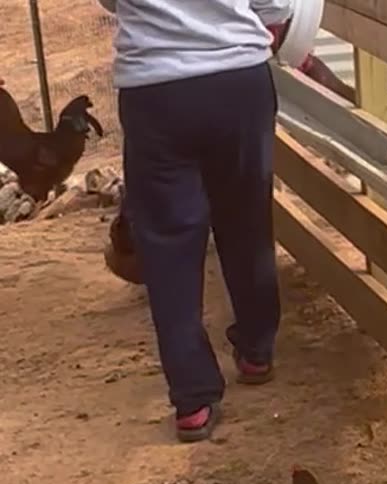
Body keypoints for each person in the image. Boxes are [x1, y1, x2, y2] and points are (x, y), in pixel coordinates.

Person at [98, 0, 294, 442]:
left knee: (168, 241)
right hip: (237, 77)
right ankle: (256, 350)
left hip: (155, 87)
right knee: (246, 218)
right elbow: (276, 5)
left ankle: (192, 399)